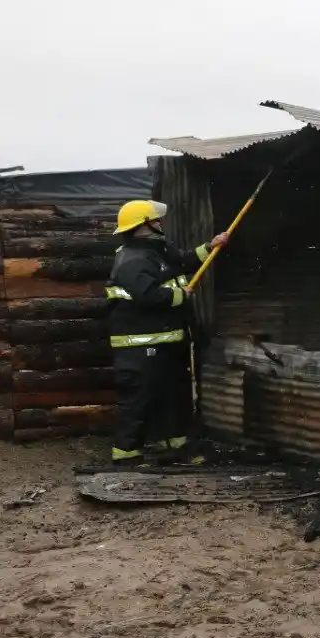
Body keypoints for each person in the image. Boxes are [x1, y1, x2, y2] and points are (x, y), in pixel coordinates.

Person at [106, 199, 229, 466]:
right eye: (155, 219)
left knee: (171, 397)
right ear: (144, 225)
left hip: (167, 343)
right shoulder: (131, 259)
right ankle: (126, 456)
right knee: (139, 399)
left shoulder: (158, 249)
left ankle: (174, 448)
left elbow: (184, 260)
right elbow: (146, 295)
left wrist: (210, 246)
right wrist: (179, 295)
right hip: (138, 348)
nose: (160, 222)